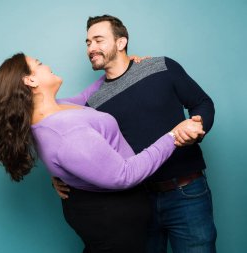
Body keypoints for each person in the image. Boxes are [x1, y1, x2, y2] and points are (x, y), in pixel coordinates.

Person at [0, 52, 205, 253]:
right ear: (31, 81)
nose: (47, 66)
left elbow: (84, 97)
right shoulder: (66, 133)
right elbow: (124, 175)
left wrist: (122, 68)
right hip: (113, 225)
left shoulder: (56, 109)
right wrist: (173, 137)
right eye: (39, 64)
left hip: (107, 214)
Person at [52, 15, 217, 253]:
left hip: (186, 193)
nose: (91, 48)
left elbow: (202, 102)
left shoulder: (161, 66)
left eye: (98, 40)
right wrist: (59, 175)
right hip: (135, 204)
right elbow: (79, 149)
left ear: (121, 43)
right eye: (88, 42)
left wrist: (198, 125)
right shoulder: (93, 103)